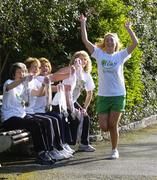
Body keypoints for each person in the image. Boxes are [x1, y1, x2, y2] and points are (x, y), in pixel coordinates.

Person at [79, 14, 138, 159]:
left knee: (113, 124)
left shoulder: (120, 55)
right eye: (107, 40)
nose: (110, 42)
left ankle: (114, 150)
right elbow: (85, 41)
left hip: (118, 94)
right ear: (104, 44)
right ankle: (113, 146)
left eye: (112, 40)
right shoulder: (99, 54)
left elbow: (135, 43)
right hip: (103, 95)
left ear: (116, 43)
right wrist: (83, 23)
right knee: (104, 127)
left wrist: (128, 29)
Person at [1, 62, 55, 165]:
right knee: (34, 124)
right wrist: (23, 79)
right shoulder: (8, 82)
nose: (22, 73)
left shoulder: (23, 86)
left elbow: (30, 99)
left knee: (41, 123)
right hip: (9, 119)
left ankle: (46, 151)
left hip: (21, 116)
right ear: (13, 74)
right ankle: (40, 153)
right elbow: (9, 87)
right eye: (19, 72)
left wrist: (43, 84)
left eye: (24, 71)